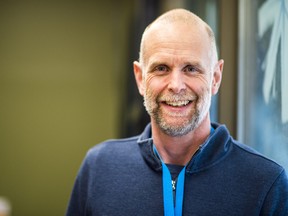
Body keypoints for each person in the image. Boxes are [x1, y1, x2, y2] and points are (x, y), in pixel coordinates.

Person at [66, 8, 288, 216]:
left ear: (215, 77)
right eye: (161, 68)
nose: (176, 85)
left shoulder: (266, 183)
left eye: (191, 69)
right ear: (140, 78)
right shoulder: (99, 168)